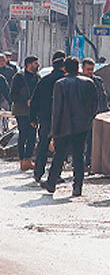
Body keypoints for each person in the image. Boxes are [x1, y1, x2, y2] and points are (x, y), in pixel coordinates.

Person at [43, 57, 98, 197]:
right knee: (79, 156)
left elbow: (57, 110)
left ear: (64, 69)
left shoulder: (60, 84)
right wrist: (87, 120)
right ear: (78, 68)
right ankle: (77, 187)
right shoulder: (89, 83)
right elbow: (94, 106)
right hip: (82, 126)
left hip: (63, 126)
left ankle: (51, 183)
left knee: (59, 155)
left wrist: (54, 132)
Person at [30, 52, 65, 184]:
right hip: (61, 119)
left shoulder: (44, 81)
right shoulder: (65, 81)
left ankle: (38, 172)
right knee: (60, 147)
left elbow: (35, 100)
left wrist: (33, 118)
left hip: (45, 118)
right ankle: (56, 174)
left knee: (43, 145)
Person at [10, 56, 39, 171]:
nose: (37, 65)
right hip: (22, 111)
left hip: (34, 111)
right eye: (35, 63)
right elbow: (13, 95)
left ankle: (28, 159)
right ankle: (22, 160)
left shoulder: (37, 77)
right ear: (29, 64)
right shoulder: (19, 77)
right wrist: (25, 101)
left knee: (32, 136)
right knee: (23, 135)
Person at [81, 58, 108, 165]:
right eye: (88, 69)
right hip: (82, 116)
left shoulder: (98, 81)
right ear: (82, 69)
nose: (90, 72)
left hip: (96, 115)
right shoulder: (79, 81)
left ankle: (90, 161)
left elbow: (103, 97)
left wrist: (105, 112)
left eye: (92, 69)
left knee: (93, 140)